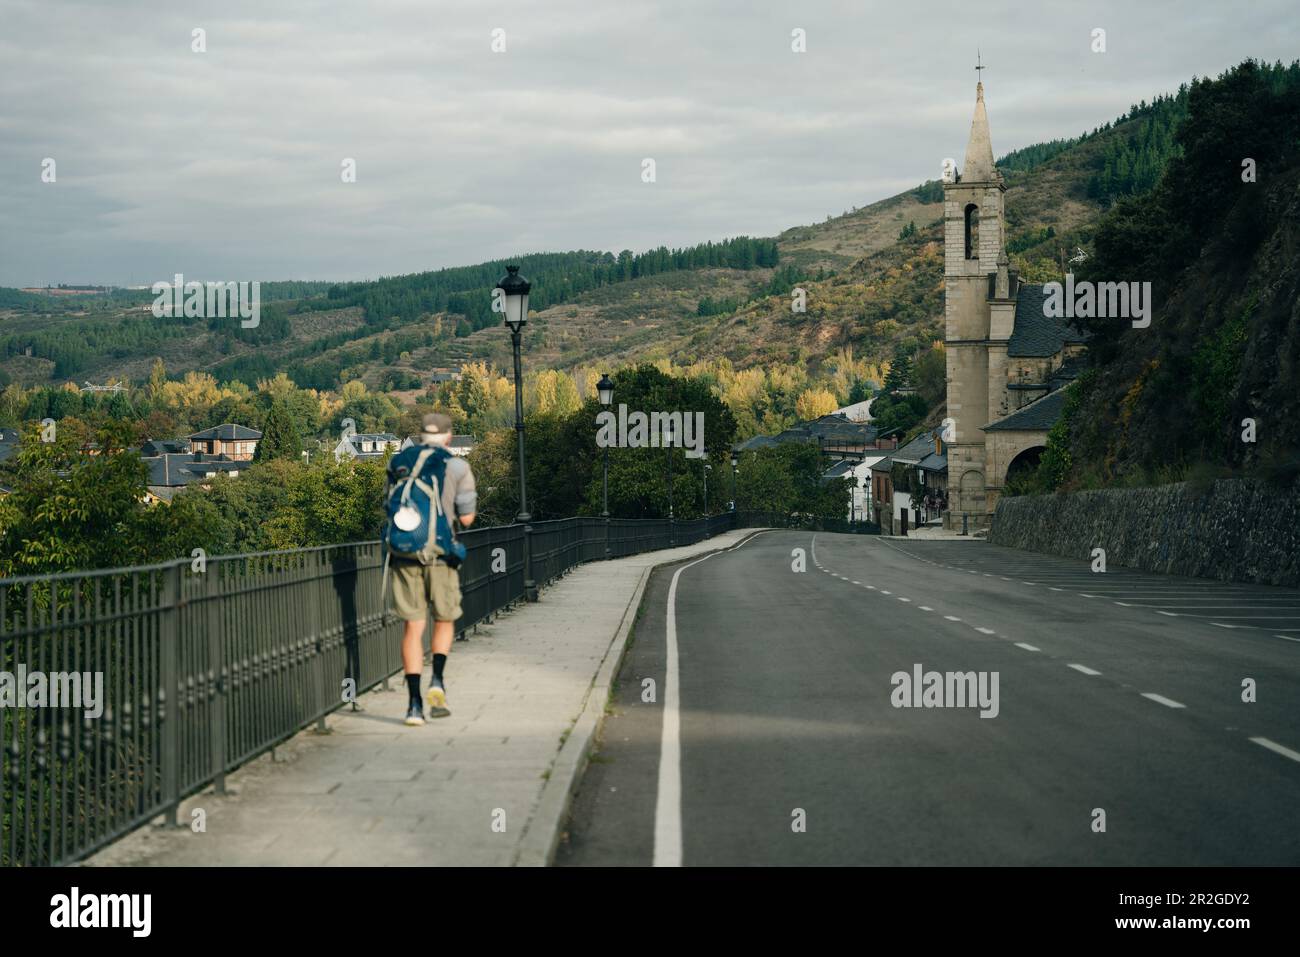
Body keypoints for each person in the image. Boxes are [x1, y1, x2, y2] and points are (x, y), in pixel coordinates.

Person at [385, 413, 476, 725]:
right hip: (440, 555)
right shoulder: (458, 466)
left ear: (421, 436)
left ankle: (413, 705)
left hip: (405, 555)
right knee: (445, 618)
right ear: (449, 438)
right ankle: (436, 680)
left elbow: (390, 506)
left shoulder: (398, 461)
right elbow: (466, 519)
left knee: (412, 627)